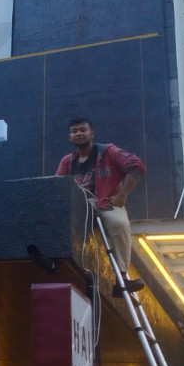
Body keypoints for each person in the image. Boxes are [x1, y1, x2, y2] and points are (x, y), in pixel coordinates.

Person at [55, 118, 146, 296]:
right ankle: (55, 260)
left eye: (83, 130)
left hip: (105, 202)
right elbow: (57, 185)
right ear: (70, 136)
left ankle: (121, 279)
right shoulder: (68, 161)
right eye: (74, 131)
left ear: (92, 133)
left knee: (119, 224)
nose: (79, 133)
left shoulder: (108, 152)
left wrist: (121, 196)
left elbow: (136, 166)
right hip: (79, 205)